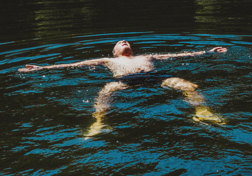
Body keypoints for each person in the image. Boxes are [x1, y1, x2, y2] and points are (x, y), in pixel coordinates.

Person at [19, 40, 228, 136]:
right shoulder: (106, 60)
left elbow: (178, 55)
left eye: (126, 41)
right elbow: (75, 65)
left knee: (187, 85)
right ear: (114, 53)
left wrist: (207, 52)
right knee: (105, 92)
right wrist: (43, 67)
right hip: (124, 80)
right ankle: (99, 123)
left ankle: (202, 111)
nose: (124, 41)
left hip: (153, 77)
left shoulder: (147, 56)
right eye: (119, 43)